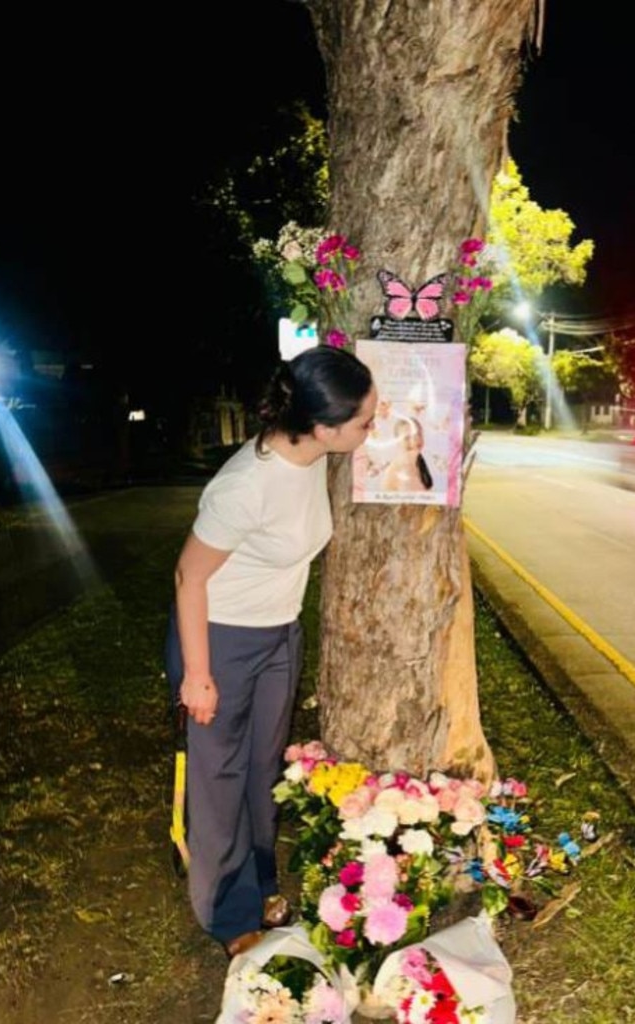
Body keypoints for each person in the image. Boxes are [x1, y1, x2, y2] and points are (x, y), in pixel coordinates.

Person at [164, 345, 377, 959]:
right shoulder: (245, 486)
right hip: (220, 641)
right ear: (323, 427)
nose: (371, 429)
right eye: (364, 421)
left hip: (280, 634)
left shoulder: (309, 455)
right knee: (220, 778)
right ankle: (229, 918)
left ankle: (260, 885)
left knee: (263, 771)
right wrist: (198, 674)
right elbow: (188, 578)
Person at [380, 414, 433, 492]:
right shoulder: (393, 470)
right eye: (407, 438)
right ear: (397, 442)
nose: (414, 442)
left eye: (418, 435)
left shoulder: (421, 465)